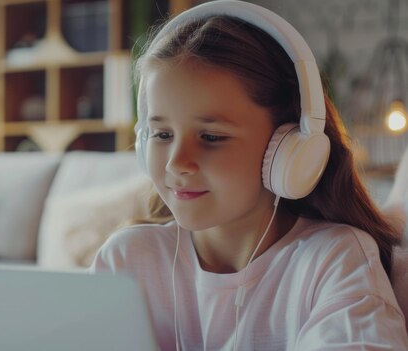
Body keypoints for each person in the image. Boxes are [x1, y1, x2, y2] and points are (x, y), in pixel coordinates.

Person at [89, 1, 408, 350]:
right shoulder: (127, 258)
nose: (176, 163)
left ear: (290, 148)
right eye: (162, 135)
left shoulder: (332, 257)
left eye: (211, 137)